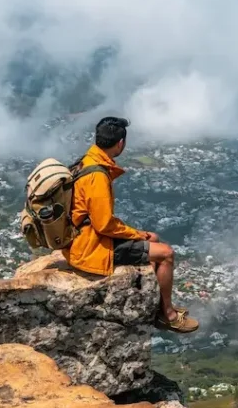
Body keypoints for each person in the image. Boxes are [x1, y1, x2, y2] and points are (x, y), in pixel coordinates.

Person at [63, 116, 198, 334]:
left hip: (83, 237)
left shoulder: (86, 161)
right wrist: (135, 233)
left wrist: (138, 235)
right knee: (166, 254)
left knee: (151, 238)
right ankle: (168, 316)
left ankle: (156, 303)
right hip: (90, 247)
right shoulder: (97, 175)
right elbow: (104, 224)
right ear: (120, 144)